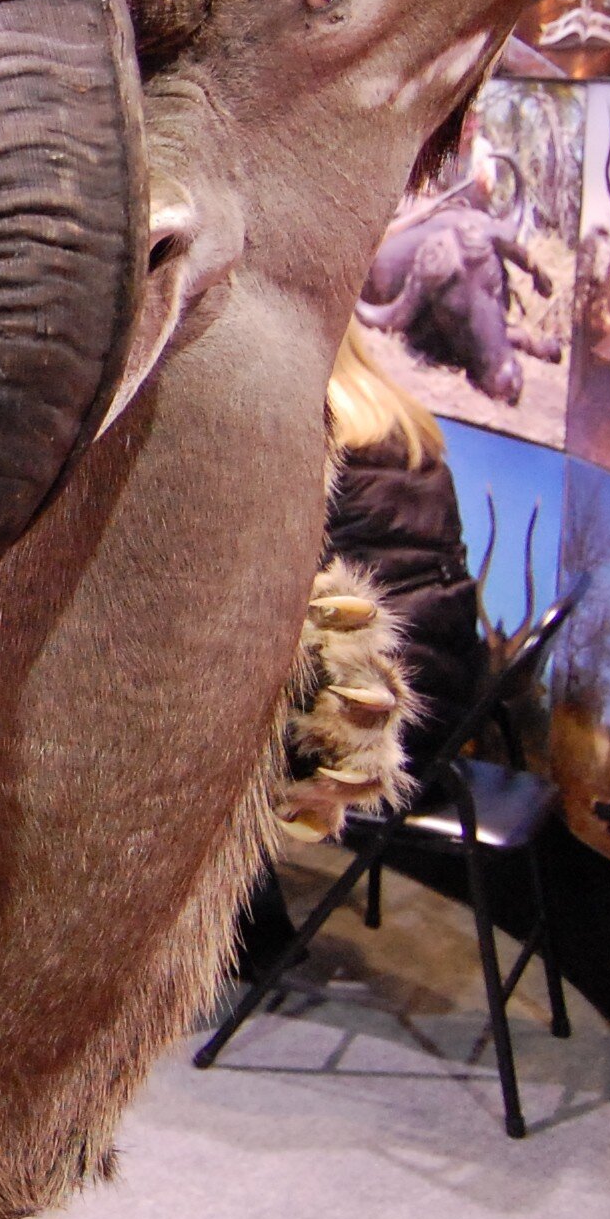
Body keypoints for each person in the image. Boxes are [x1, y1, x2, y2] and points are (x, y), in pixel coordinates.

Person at [232, 330, 488, 977]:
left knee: (199, 737)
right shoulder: (404, 418)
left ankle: (250, 937)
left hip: (379, 730)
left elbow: (271, 591)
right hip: (445, 697)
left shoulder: (322, 434)